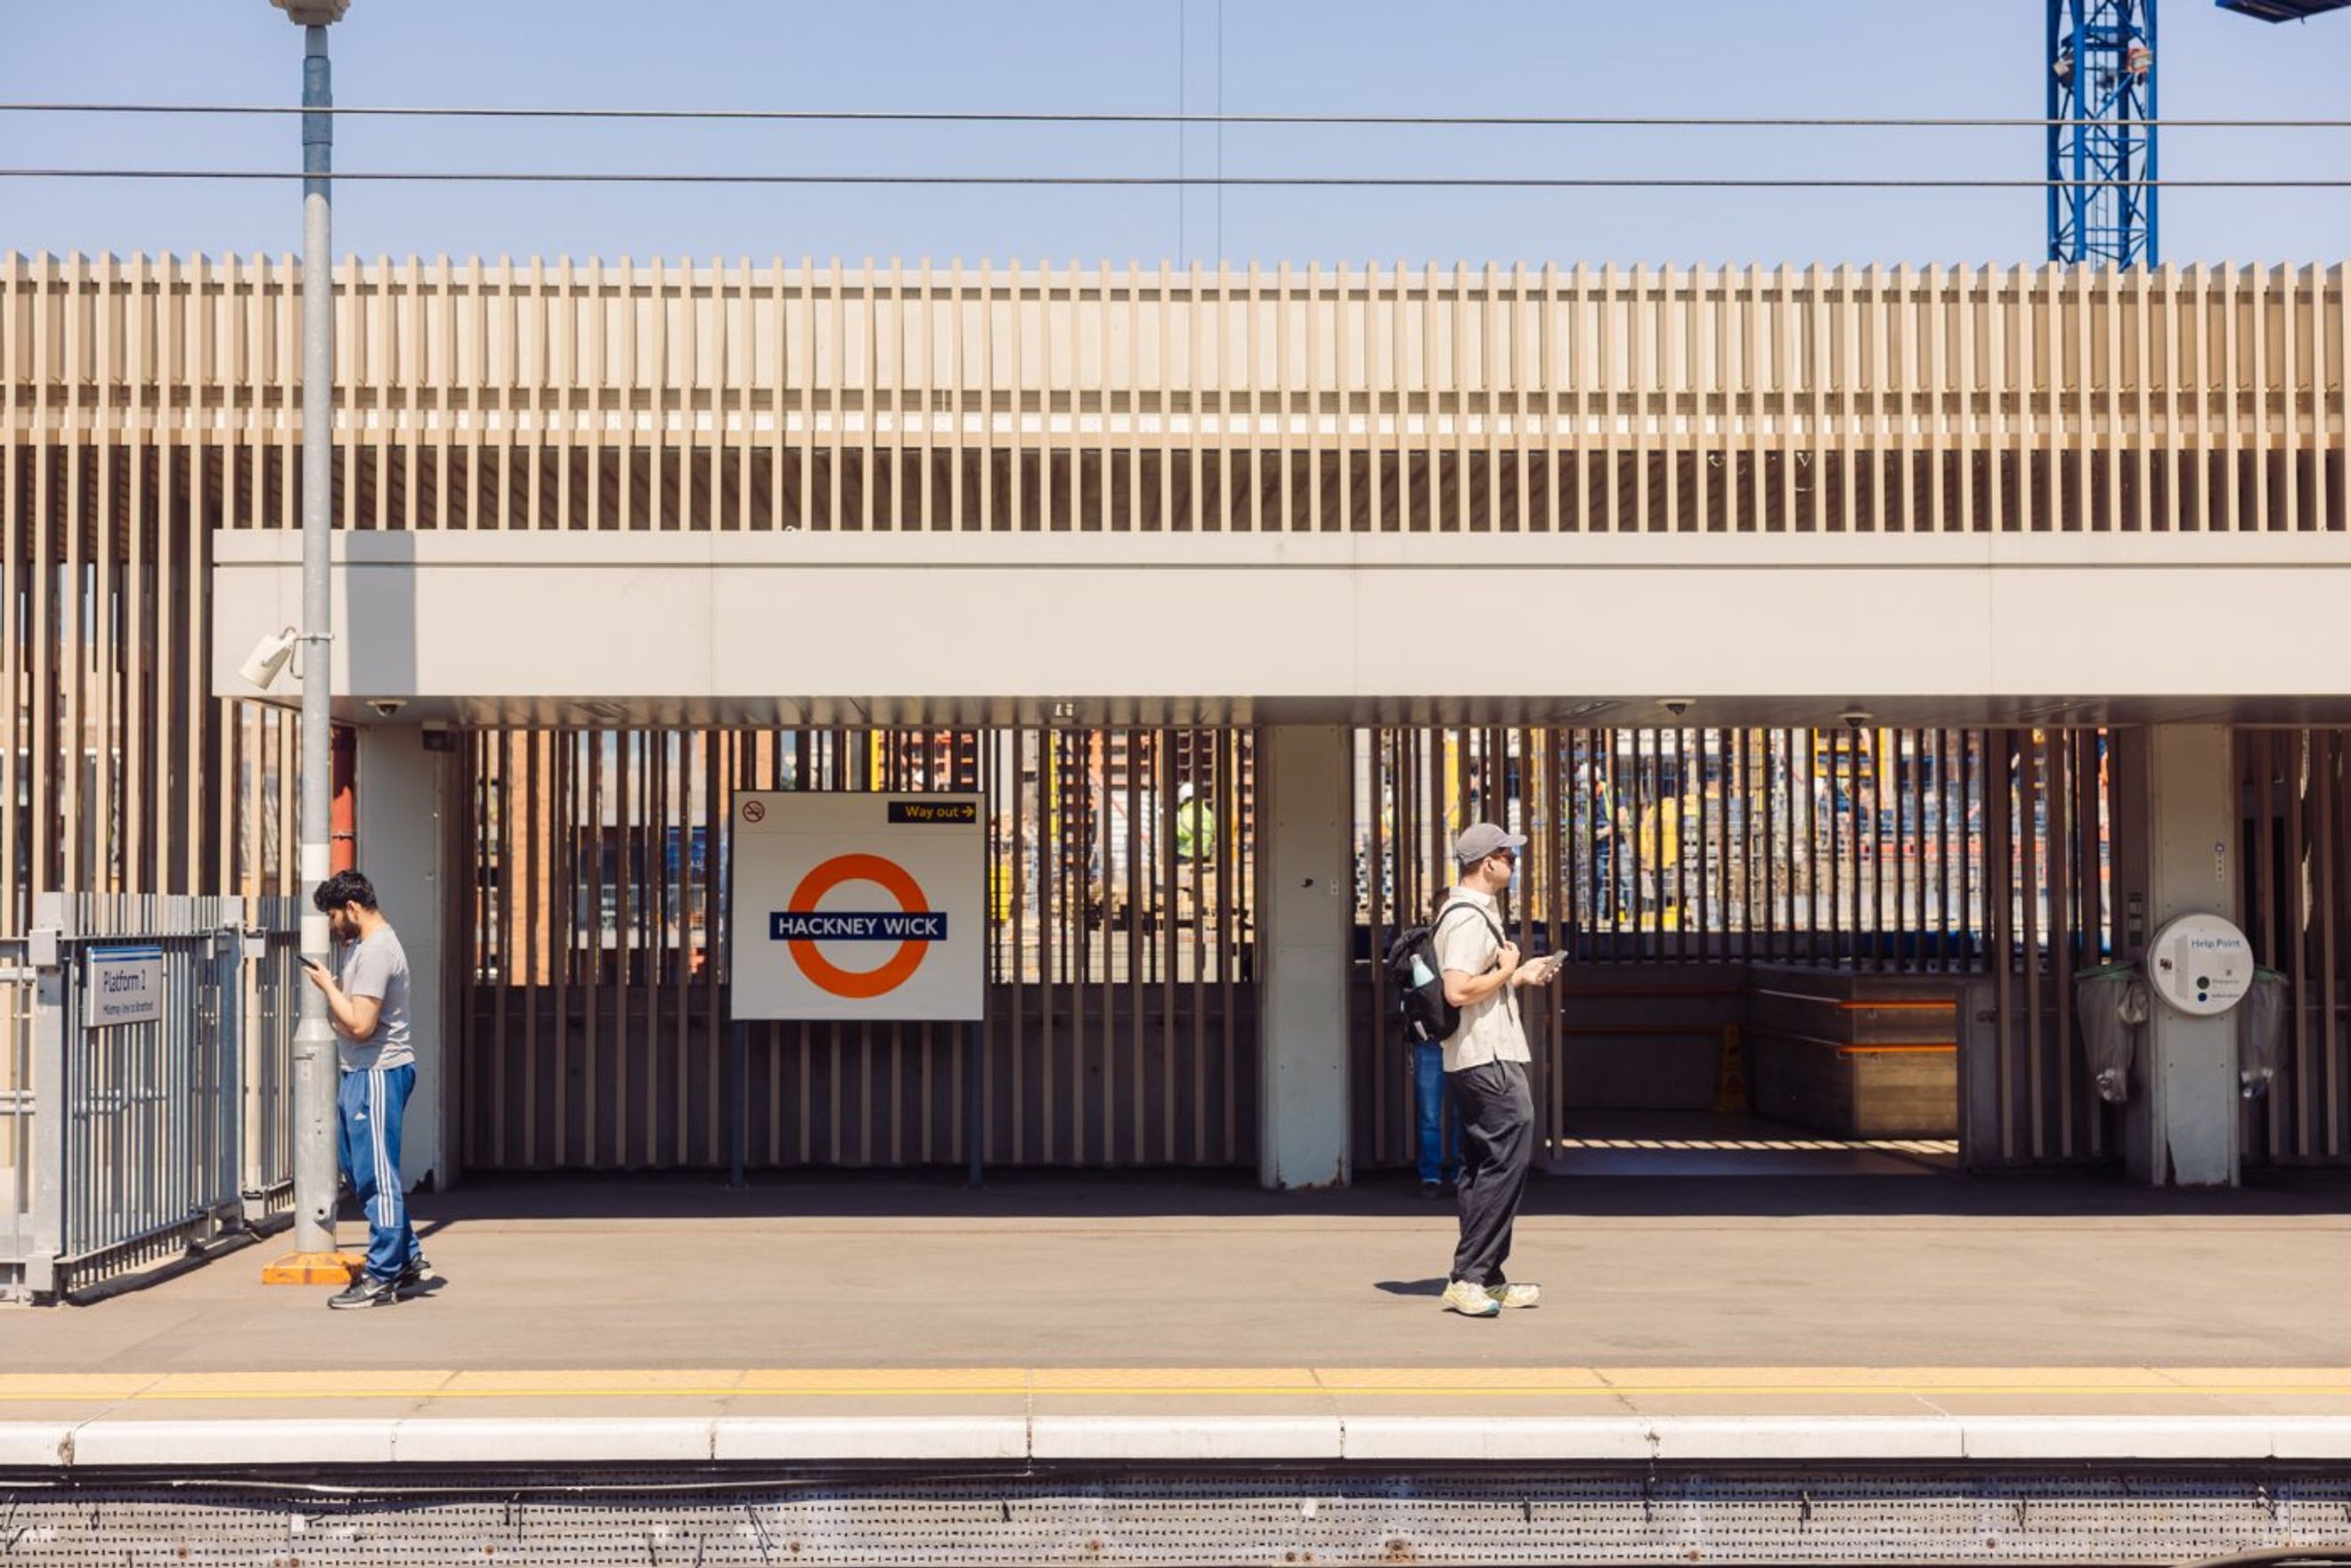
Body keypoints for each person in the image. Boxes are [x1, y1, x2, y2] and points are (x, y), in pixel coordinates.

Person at [1433, 822, 1565, 1318]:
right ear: (1487, 863)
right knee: (1507, 1153)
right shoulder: (1467, 918)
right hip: (1485, 1057)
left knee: (1483, 1163)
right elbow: (1457, 990)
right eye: (1509, 856)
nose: (1514, 863)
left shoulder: (1474, 913)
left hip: (1480, 1054)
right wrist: (1507, 969)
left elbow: (1475, 987)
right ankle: (1470, 1276)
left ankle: (1485, 1276)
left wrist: (1517, 976)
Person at [299, 870, 429, 1310]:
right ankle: (406, 1256)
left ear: (353, 908)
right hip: (363, 1072)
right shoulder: (364, 947)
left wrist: (328, 988)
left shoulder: (376, 952)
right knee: (358, 1169)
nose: (333, 925)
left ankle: (383, 1274)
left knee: (376, 1176)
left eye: (334, 916)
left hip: (377, 1073)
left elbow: (359, 1024)